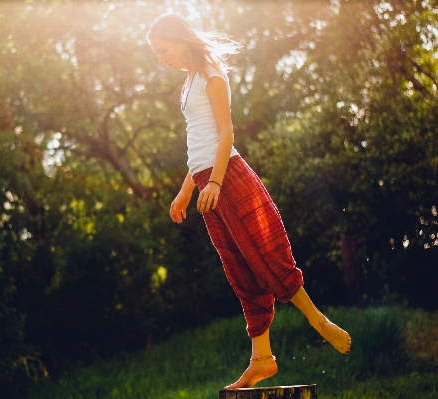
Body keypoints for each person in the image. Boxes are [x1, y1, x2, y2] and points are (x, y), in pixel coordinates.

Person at [147, 13, 351, 389]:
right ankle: (262, 358)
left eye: (163, 50)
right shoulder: (189, 80)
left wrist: (216, 183)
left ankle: (317, 319)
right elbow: (200, 142)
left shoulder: (210, 73)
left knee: (264, 253)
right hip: (206, 179)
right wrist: (187, 189)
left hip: (228, 177)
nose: (161, 58)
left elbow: (226, 132)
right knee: (239, 268)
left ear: (179, 40)